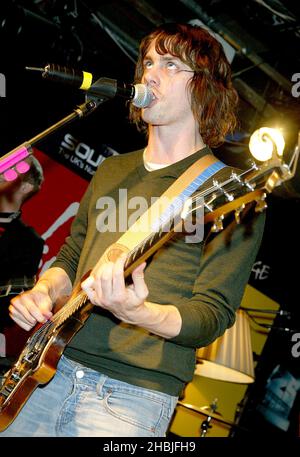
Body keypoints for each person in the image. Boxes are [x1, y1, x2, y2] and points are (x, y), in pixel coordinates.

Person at [0, 23, 265, 437]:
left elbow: (212, 314)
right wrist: (42, 291)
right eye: (148, 62)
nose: (149, 73)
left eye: (171, 64)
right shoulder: (112, 169)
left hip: (129, 399)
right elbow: (72, 258)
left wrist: (138, 313)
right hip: (49, 367)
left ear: (203, 86)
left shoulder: (230, 192)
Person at [0, 155, 44, 369]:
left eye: (9, 171)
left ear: (26, 187)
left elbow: (8, 308)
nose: (1, 173)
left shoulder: (29, 242)